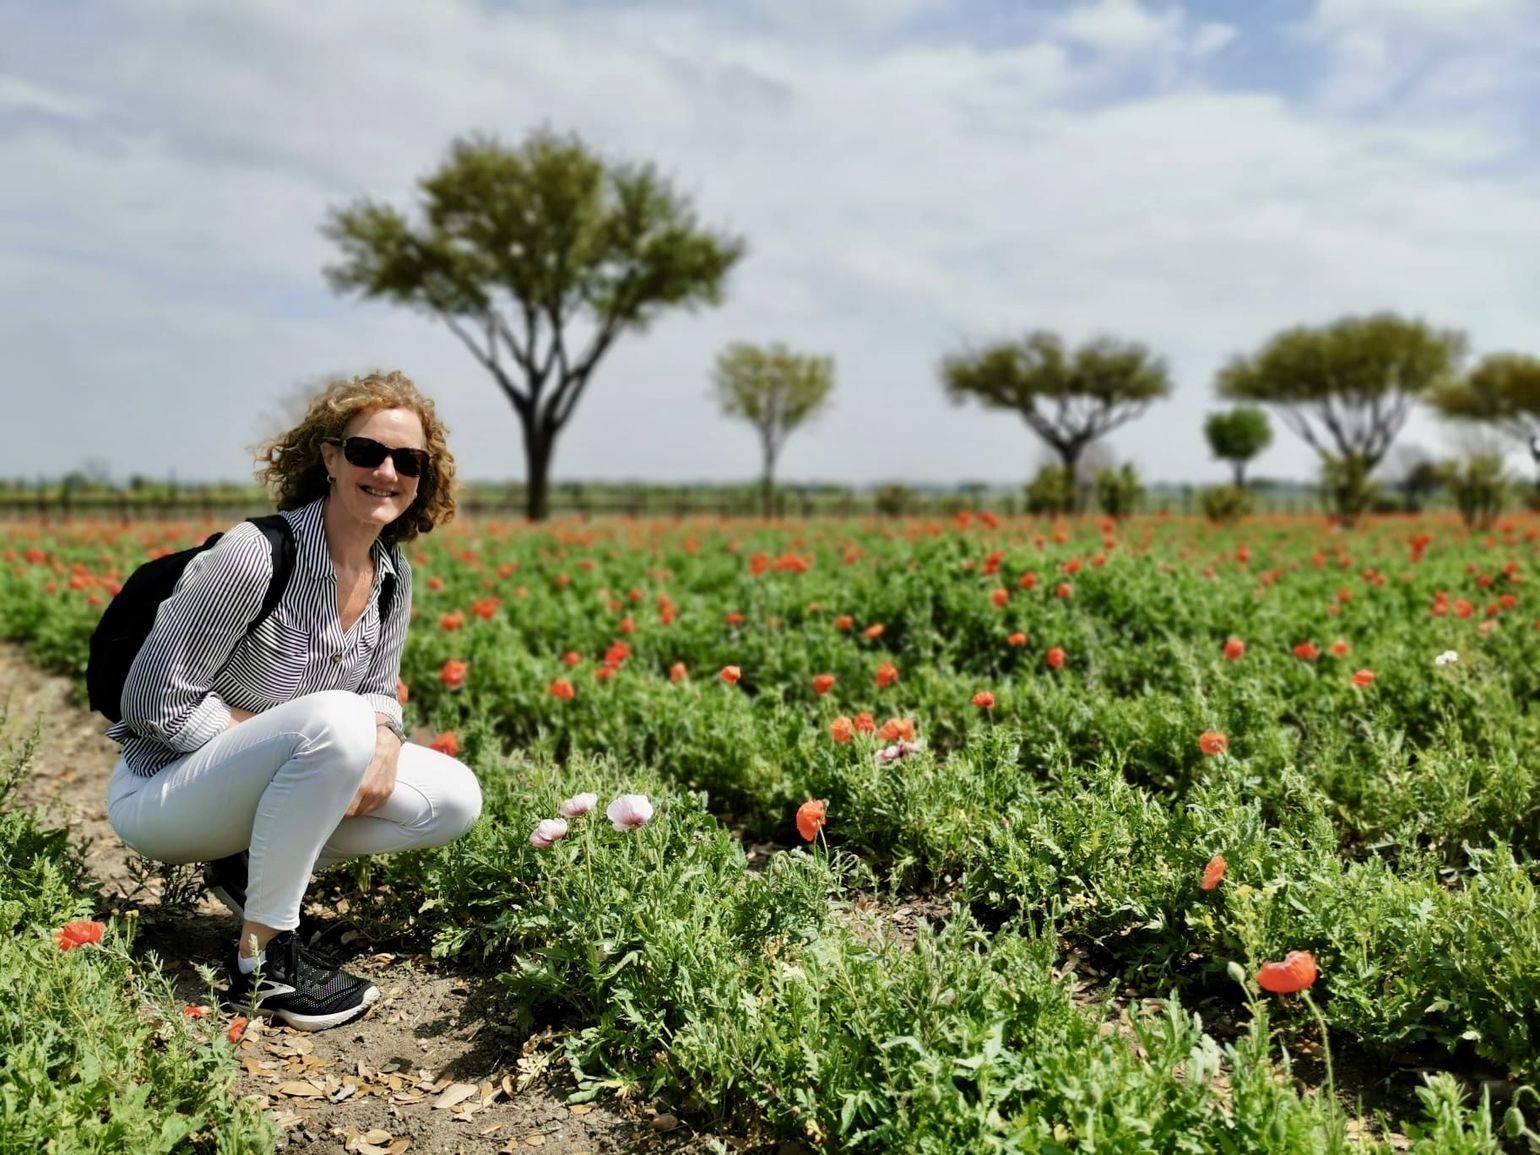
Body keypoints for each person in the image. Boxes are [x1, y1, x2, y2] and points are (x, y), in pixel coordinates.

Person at [104, 371, 483, 1032]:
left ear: (423, 477)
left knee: (454, 796)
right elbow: (151, 702)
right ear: (330, 457)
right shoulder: (254, 556)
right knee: (335, 723)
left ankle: (248, 865)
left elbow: (376, 689)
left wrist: (387, 739)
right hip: (162, 790)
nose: (386, 470)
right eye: (367, 451)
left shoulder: (392, 574)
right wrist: (283, 735)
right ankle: (264, 960)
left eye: (408, 460)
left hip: (270, 777)